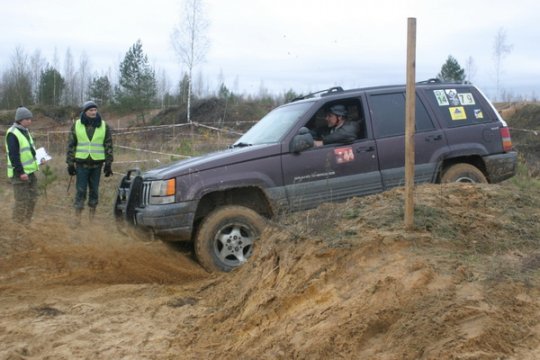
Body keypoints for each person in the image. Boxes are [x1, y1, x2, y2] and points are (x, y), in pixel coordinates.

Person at [66, 101, 114, 223]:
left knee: (94, 191)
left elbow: (108, 145)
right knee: (81, 191)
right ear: (85, 112)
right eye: (90, 110)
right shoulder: (76, 125)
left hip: (97, 165)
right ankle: (77, 219)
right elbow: (71, 145)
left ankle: (91, 220)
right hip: (81, 165)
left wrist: (108, 163)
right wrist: (70, 163)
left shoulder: (103, 125)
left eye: (95, 110)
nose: (93, 112)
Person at [5, 106, 40, 224]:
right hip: (19, 174)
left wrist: (39, 159)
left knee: (33, 198)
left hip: (29, 172)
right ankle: (16, 226)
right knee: (21, 201)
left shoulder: (25, 131)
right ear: (20, 120)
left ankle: (26, 222)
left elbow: (29, 151)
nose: (30, 121)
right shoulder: (13, 133)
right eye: (28, 119)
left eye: (30, 118)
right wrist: (21, 172)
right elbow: (13, 155)